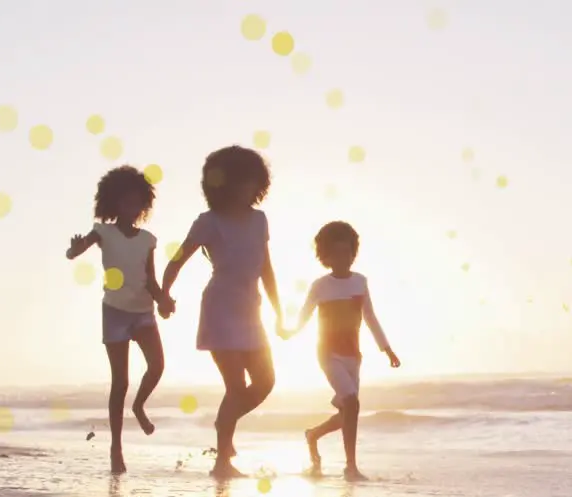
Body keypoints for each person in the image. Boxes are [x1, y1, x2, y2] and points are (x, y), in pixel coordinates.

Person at [160, 145, 282, 478]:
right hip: (220, 310)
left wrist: (279, 312)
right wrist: (164, 295)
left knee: (266, 381)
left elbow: (266, 269)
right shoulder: (209, 222)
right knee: (235, 387)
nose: (247, 189)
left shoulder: (259, 220)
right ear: (223, 185)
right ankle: (222, 462)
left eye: (252, 182)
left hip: (251, 313)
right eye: (239, 182)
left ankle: (223, 424)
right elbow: (178, 259)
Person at [65, 165, 173, 474]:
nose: (132, 207)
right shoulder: (103, 232)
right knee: (120, 381)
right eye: (126, 201)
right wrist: (73, 250)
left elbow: (150, 280)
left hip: (143, 313)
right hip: (114, 313)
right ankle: (116, 449)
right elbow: (77, 249)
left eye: (138, 202)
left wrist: (163, 299)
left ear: (144, 206)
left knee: (157, 366)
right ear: (114, 204)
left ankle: (139, 406)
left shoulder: (148, 239)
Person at [278, 221, 400, 479]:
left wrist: (387, 349)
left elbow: (370, 317)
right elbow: (304, 316)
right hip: (328, 353)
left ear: (353, 253)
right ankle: (351, 467)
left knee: (348, 411)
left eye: (347, 253)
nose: (342, 259)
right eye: (336, 254)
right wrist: (289, 332)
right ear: (326, 256)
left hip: (353, 356)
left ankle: (313, 435)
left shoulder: (360, 283)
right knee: (352, 402)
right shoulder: (320, 286)